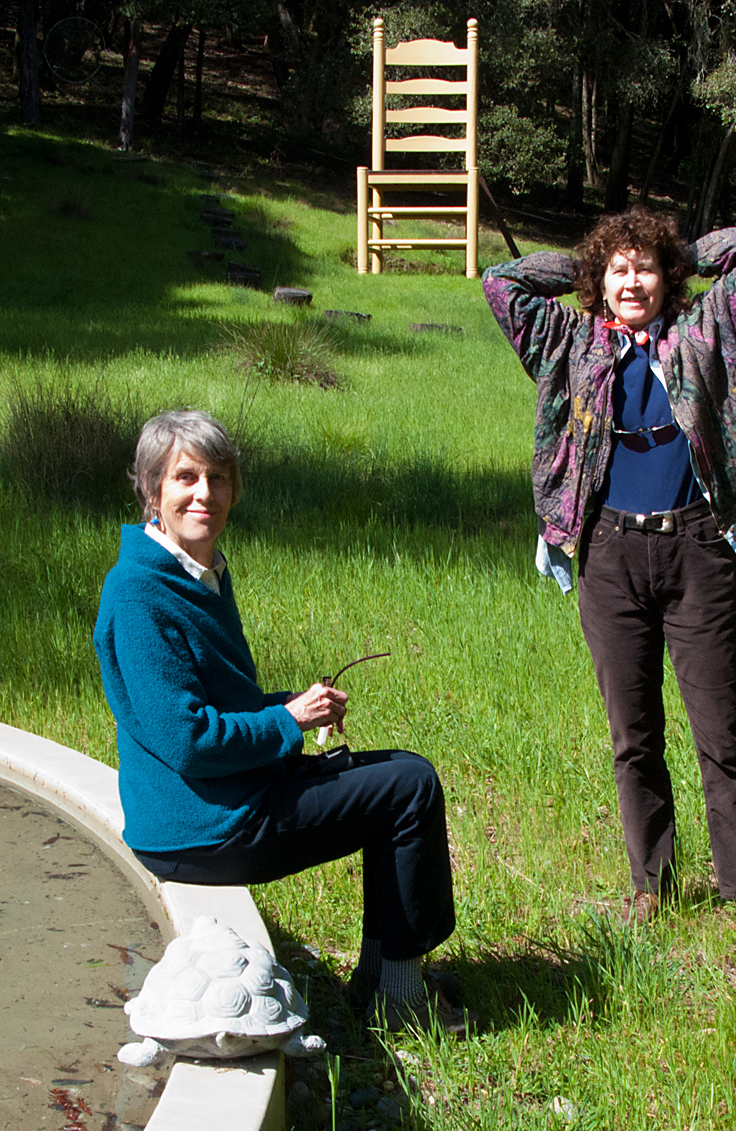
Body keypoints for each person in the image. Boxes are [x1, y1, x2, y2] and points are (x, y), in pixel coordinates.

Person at [93, 410, 467, 1032]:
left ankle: (380, 977)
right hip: (202, 829)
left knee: (401, 774)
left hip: (225, 800)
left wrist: (293, 702)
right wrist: (289, 720)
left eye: (218, 478)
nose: (203, 494)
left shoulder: (198, 571)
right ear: (151, 488)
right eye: (185, 477)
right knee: (409, 788)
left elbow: (218, 703)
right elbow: (188, 741)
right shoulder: (139, 591)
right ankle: (399, 1004)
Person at [483, 209, 736, 948]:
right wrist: (591, 266)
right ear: (598, 282)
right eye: (618, 270)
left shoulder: (708, 331)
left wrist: (674, 251)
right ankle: (650, 883)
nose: (632, 282)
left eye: (645, 269)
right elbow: (504, 282)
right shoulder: (571, 340)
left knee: (722, 729)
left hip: (697, 549)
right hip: (611, 553)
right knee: (634, 735)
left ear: (669, 279)